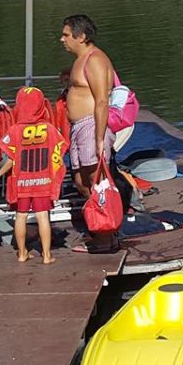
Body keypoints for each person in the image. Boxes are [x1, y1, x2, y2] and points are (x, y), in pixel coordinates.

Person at [60, 13, 122, 244]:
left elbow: (102, 100)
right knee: (80, 181)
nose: (62, 39)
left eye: (66, 35)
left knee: (97, 182)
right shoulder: (81, 59)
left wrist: (99, 138)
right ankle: (100, 228)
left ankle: (106, 237)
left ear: (82, 36)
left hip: (91, 125)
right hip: (78, 127)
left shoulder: (95, 59)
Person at [0, 85, 65, 263]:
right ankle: (47, 255)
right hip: (43, 181)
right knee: (43, 216)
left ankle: (22, 253)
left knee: (20, 216)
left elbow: (10, 159)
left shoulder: (15, 130)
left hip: (21, 182)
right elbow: (58, 154)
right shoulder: (49, 129)